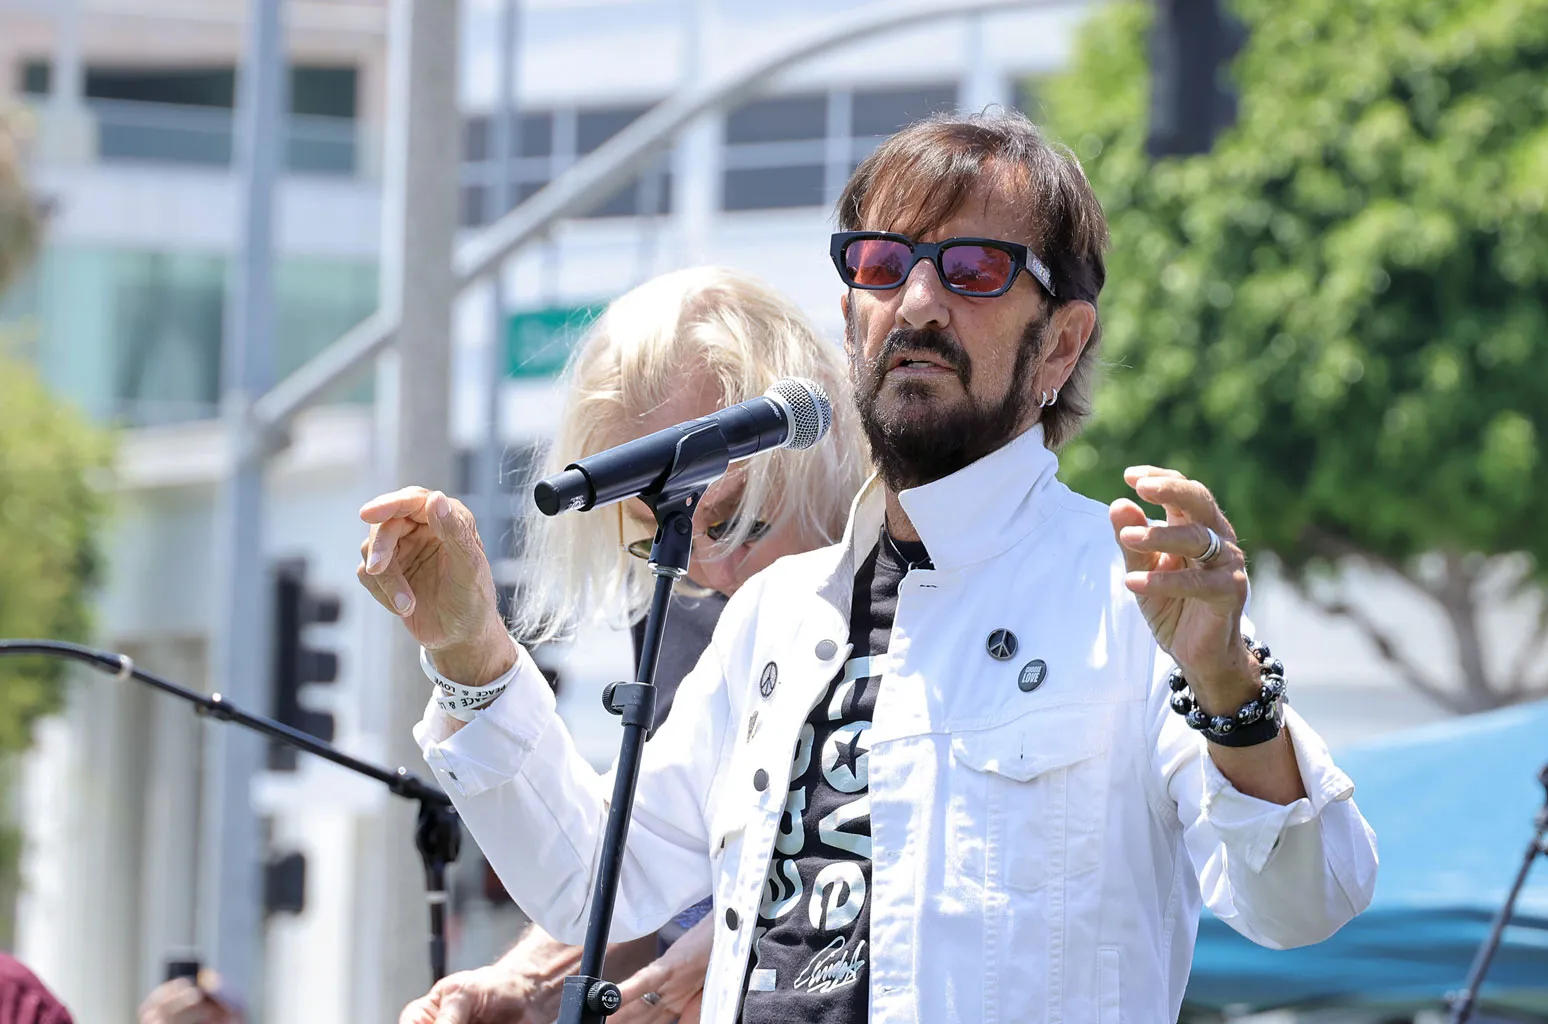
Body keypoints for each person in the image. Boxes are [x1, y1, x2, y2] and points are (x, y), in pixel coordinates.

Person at [364, 111, 1379, 1023]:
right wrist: (470, 648)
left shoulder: (1126, 600)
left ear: (1062, 344)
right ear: (851, 315)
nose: (920, 299)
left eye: (976, 267)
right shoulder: (774, 614)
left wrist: (1229, 689)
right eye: (885, 265)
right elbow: (599, 879)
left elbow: (1306, 897)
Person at [360, 266, 869, 1024]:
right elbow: (644, 857)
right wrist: (527, 982)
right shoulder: (691, 598)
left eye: (732, 519)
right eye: (655, 529)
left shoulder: (919, 573)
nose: (708, 568)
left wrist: (752, 938)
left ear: (812, 435)